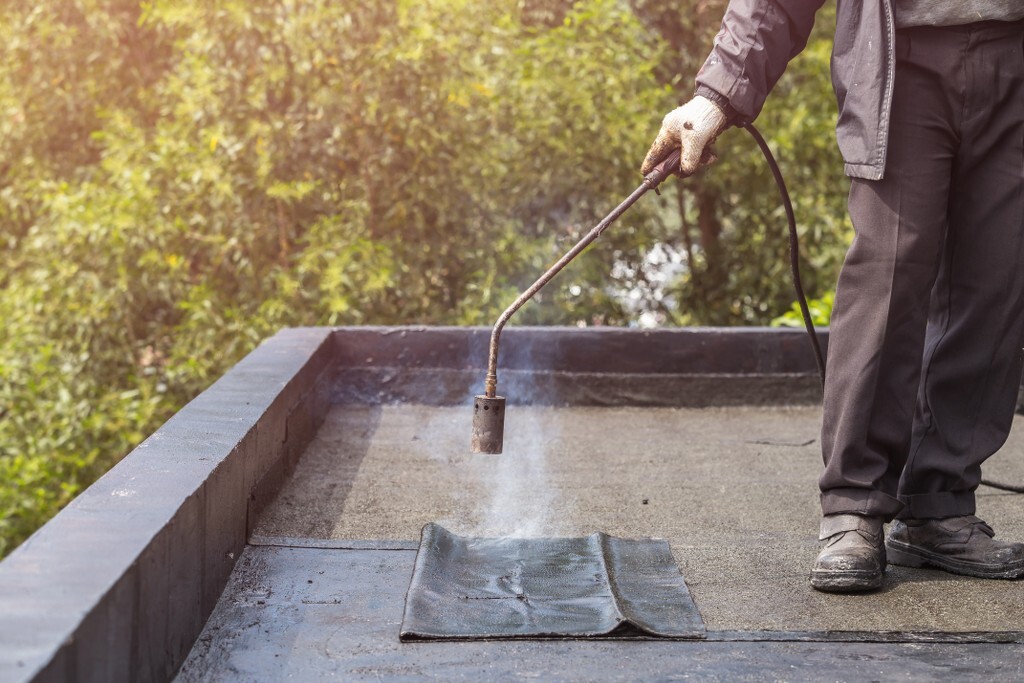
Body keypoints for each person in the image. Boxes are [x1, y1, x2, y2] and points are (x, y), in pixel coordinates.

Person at [642, 1, 1024, 592]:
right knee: (889, 274)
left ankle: (940, 506)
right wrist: (717, 94)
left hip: (1014, 56)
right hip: (903, 59)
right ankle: (854, 508)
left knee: (997, 281)